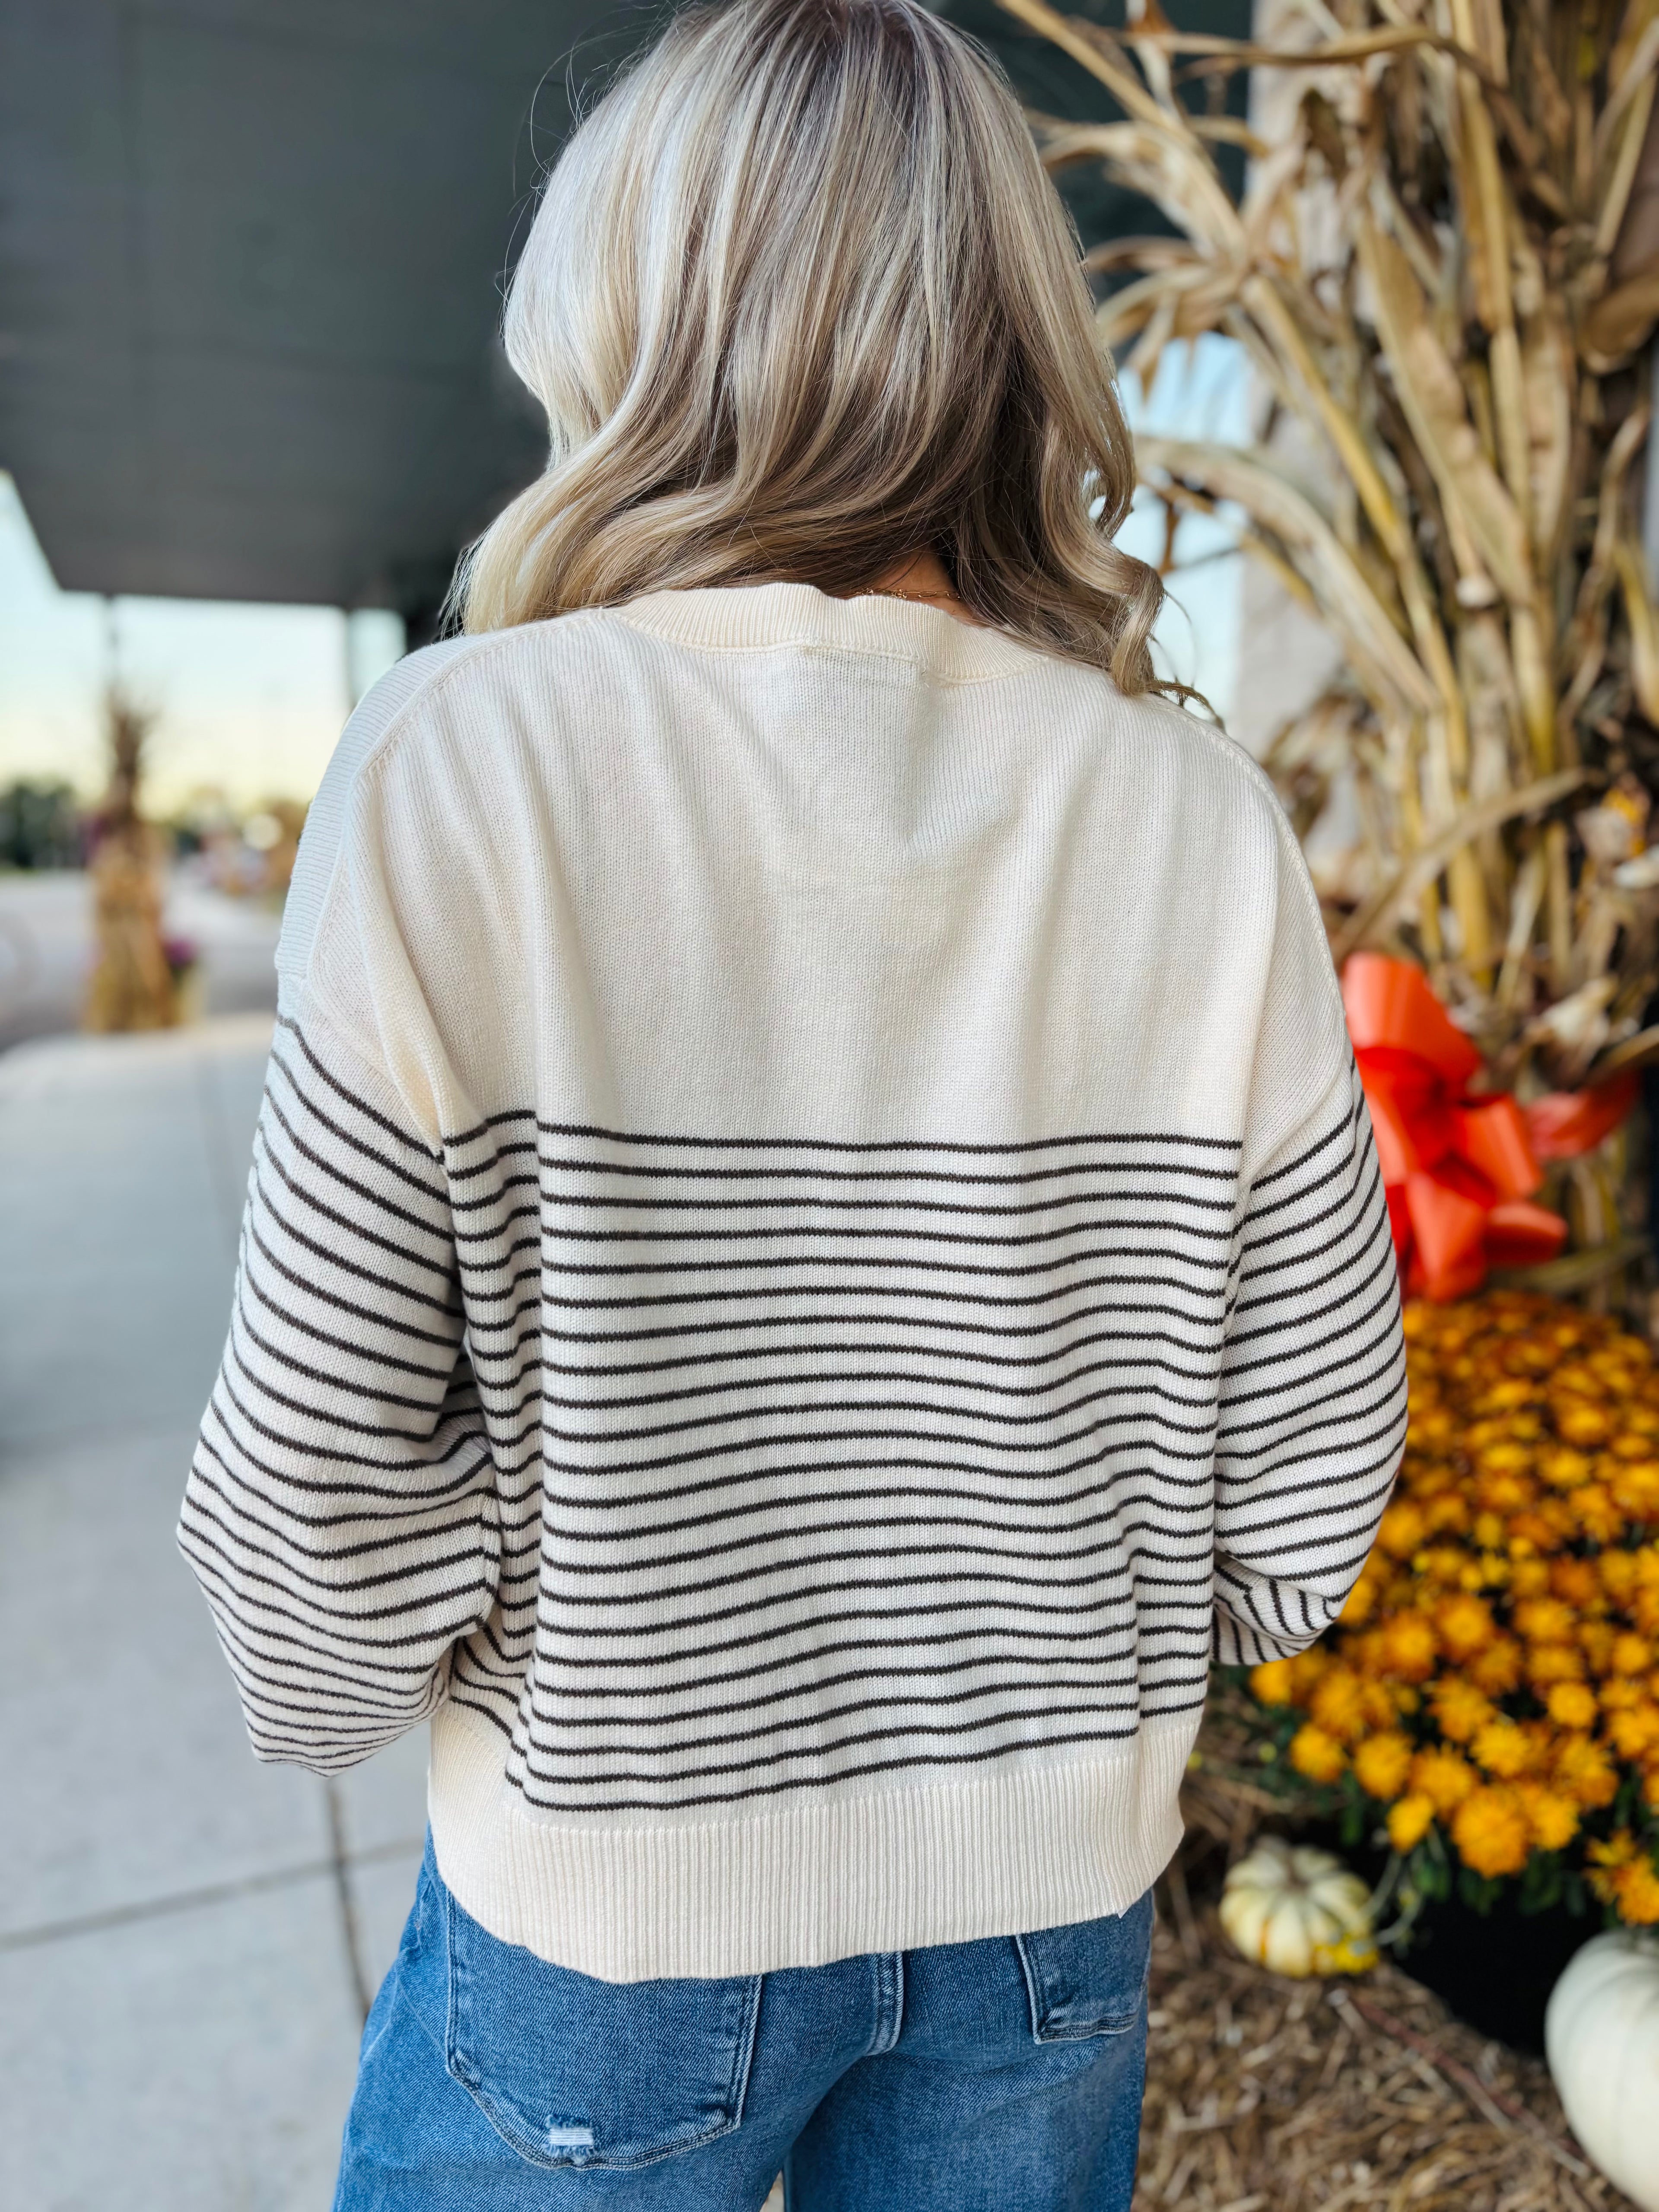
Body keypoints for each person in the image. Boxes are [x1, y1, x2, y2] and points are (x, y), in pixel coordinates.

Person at [177, 2, 1406, 2204]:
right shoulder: (1199, 815)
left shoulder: (465, 756)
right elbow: (1312, 1475)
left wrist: (565, 1633)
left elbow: (310, 1527)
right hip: (1051, 1918)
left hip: (609, 1919)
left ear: (632, 314)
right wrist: (1062, 1646)